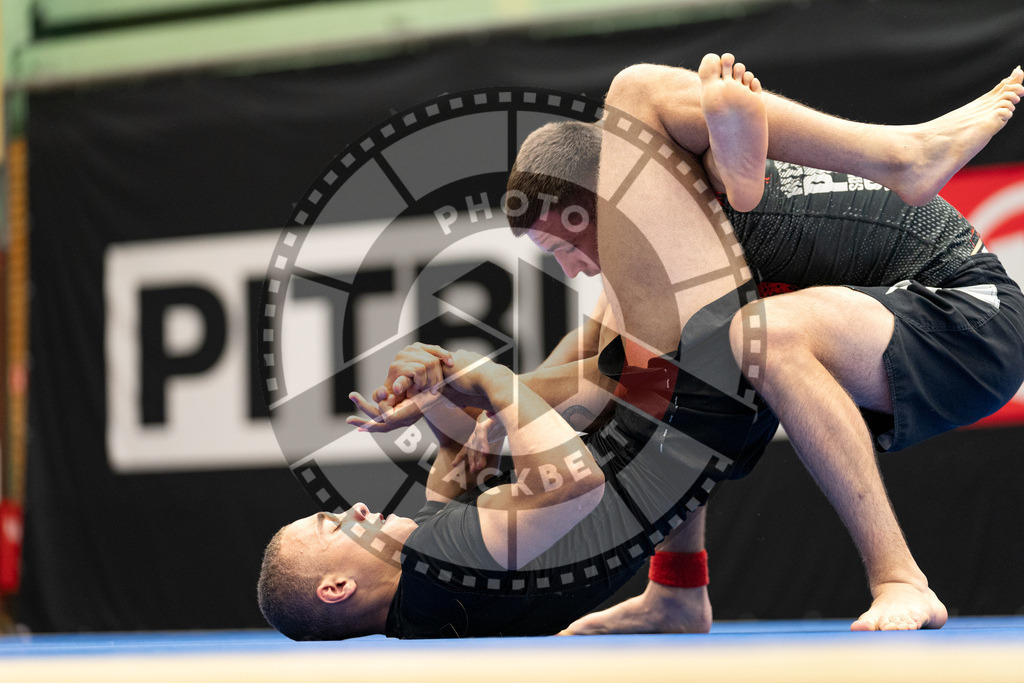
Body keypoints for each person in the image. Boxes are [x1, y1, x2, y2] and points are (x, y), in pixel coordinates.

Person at [495, 54, 1024, 634]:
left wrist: (495, 400)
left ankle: (901, 578)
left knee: (753, 334)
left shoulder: (663, 212)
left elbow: (591, 378)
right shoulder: (653, 256)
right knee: (672, 360)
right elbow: (585, 359)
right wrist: (482, 396)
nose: (572, 271)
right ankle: (675, 593)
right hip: (888, 317)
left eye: (565, 249)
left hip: (970, 318)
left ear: (600, 202)